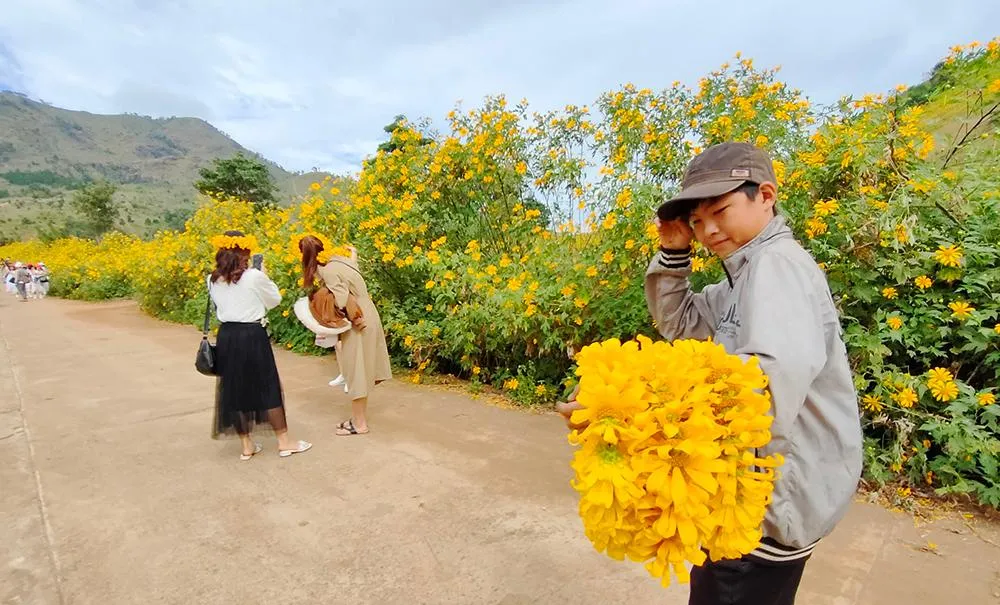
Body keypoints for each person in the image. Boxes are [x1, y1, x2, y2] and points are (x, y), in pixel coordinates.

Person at [559, 142, 863, 605]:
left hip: (769, 499)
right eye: (697, 222)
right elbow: (681, 325)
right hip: (752, 491)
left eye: (720, 210)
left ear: (765, 195)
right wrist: (674, 252)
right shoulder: (743, 278)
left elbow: (764, 381)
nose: (709, 229)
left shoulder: (777, 267)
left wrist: (625, 408)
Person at [208, 230, 312, 459]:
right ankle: (284, 442)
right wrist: (263, 275)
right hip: (252, 334)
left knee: (234, 389)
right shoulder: (253, 277)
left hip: (227, 335)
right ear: (244, 250)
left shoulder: (212, 278)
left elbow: (219, 305)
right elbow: (274, 300)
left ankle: (246, 446)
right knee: (267, 385)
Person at [299, 236, 391, 436]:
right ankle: (358, 419)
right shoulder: (338, 261)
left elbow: (341, 300)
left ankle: (359, 424)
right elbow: (351, 273)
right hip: (368, 312)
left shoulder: (329, 271)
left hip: (358, 318)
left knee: (355, 370)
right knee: (361, 368)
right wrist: (354, 254)